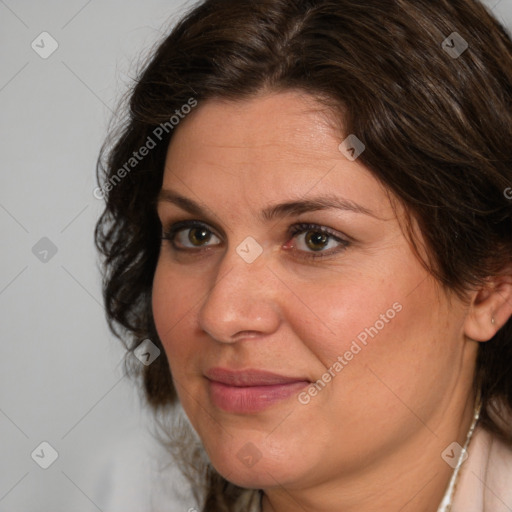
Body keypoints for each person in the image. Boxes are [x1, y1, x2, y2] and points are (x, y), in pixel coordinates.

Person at [94, 0, 512, 510]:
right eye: (196, 234)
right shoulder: (120, 491)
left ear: (490, 286)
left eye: (316, 238)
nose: (222, 315)